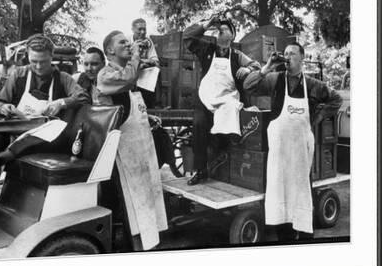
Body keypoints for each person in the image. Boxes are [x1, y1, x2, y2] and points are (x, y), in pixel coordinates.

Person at [244, 42, 342, 242]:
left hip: (300, 156)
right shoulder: (274, 79)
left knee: (301, 195)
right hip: (280, 156)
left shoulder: (314, 85)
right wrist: (266, 67)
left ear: (302, 58)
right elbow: (248, 86)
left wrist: (317, 117)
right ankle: (285, 239)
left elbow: (336, 100)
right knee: (281, 197)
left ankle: (306, 238)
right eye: (285, 53)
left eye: (292, 53)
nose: (287, 56)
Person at [96, 30, 168, 251]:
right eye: (123, 43)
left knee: (146, 198)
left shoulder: (128, 71)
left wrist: (147, 115)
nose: (129, 45)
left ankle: (149, 244)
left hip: (140, 147)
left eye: (129, 42)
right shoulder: (106, 75)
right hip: (122, 152)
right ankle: (134, 252)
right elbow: (127, 80)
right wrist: (136, 55)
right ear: (110, 50)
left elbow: (129, 102)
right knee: (130, 205)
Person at [0, 34, 89, 165]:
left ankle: (10, 154)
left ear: (51, 57)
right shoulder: (19, 74)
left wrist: (61, 103)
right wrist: (4, 108)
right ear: (28, 57)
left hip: (44, 135)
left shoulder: (62, 78)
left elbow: (83, 97)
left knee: (55, 129)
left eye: (43, 62)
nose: (38, 66)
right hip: (16, 128)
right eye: (33, 61)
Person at [183, 17, 260, 185]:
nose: (220, 32)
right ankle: (200, 170)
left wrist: (247, 69)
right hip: (206, 98)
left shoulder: (238, 56)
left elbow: (257, 67)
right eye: (218, 30)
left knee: (229, 123)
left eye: (224, 29)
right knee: (199, 124)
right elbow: (187, 38)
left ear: (232, 35)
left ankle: (224, 160)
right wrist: (206, 25)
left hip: (227, 99)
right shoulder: (206, 49)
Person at [130, 18, 160, 108]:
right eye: (139, 29)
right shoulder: (127, 40)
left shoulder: (148, 41)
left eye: (144, 29)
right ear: (133, 29)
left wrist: (143, 62)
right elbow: (125, 59)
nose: (143, 32)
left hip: (143, 70)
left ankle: (154, 104)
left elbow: (155, 61)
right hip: (131, 70)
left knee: (157, 70)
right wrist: (140, 62)